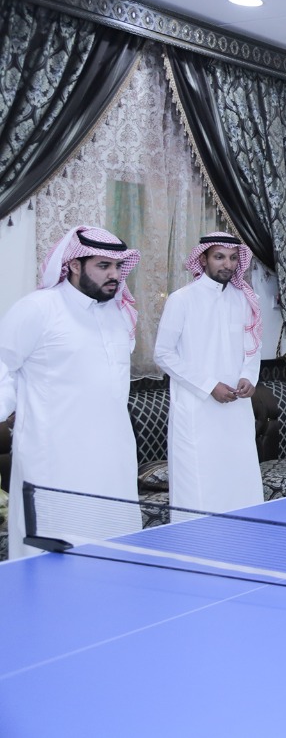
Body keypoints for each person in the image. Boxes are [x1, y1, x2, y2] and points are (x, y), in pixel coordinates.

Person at [0, 226, 142, 557]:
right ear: (75, 265)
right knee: (54, 549)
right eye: (103, 266)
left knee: (115, 544)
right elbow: (3, 366)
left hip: (113, 455)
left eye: (117, 266)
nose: (114, 275)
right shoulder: (38, 308)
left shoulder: (118, 314)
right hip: (55, 457)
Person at [154, 232, 265, 515]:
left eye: (232, 258)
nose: (227, 264)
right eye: (219, 257)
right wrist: (209, 386)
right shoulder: (182, 299)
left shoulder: (244, 299)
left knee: (239, 478)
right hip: (197, 408)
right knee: (199, 484)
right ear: (203, 259)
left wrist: (248, 377)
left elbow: (253, 346)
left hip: (236, 409)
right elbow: (163, 354)